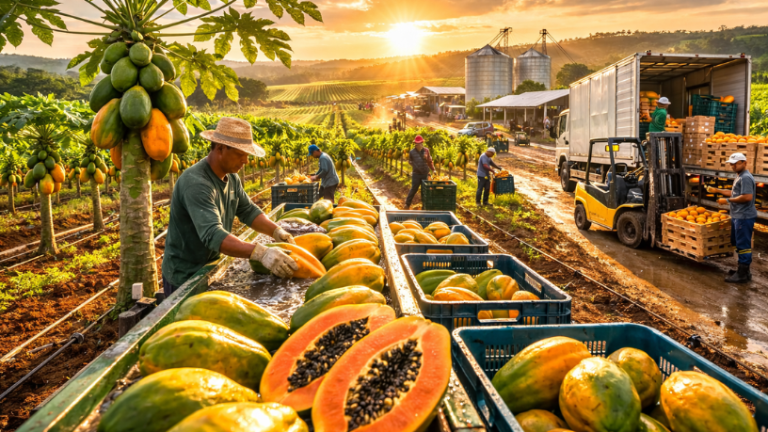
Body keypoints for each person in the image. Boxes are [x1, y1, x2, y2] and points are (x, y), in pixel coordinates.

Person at [162, 118, 297, 296]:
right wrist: (260, 253)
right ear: (220, 148)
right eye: (241, 154)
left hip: (209, 267)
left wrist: (277, 231)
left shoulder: (231, 177)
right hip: (185, 276)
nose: (246, 161)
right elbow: (213, 235)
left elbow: (248, 211)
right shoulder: (196, 183)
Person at [707, 152, 756, 283]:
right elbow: (734, 193)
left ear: (744, 163)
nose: (733, 166)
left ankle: (743, 273)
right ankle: (743, 270)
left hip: (744, 216)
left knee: (743, 244)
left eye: (736, 164)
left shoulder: (745, 177)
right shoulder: (739, 176)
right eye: (732, 164)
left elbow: (747, 197)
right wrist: (717, 190)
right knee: (737, 242)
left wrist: (728, 201)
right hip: (738, 215)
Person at [404, 135, 435, 209]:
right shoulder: (412, 152)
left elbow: (429, 161)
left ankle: (424, 207)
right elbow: (410, 161)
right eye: (418, 143)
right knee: (414, 189)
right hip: (416, 174)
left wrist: (433, 169)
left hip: (425, 174)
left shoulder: (426, 150)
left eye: (421, 143)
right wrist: (415, 165)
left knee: (424, 191)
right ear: (415, 144)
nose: (419, 144)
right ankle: (407, 204)